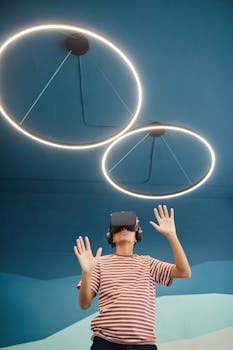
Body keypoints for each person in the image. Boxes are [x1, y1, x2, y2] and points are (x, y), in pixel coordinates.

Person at [74, 205, 191, 350]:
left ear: (137, 236)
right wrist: (86, 272)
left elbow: (184, 272)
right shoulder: (99, 263)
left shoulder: (148, 263)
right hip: (105, 342)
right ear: (111, 236)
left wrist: (171, 235)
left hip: (144, 344)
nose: (124, 229)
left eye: (129, 226)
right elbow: (84, 304)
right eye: (118, 227)